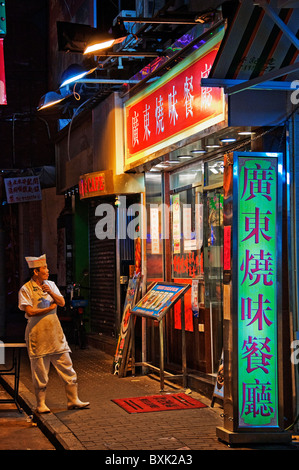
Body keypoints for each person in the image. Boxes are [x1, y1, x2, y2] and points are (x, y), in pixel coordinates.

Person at [18, 254, 89, 413]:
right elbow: (29, 312)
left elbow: (62, 302)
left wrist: (50, 292)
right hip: (37, 334)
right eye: (45, 268)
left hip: (55, 332)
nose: (48, 271)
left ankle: (73, 400)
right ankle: (41, 403)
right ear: (36, 272)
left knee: (66, 365)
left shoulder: (51, 285)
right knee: (40, 370)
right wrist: (49, 309)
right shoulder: (25, 289)